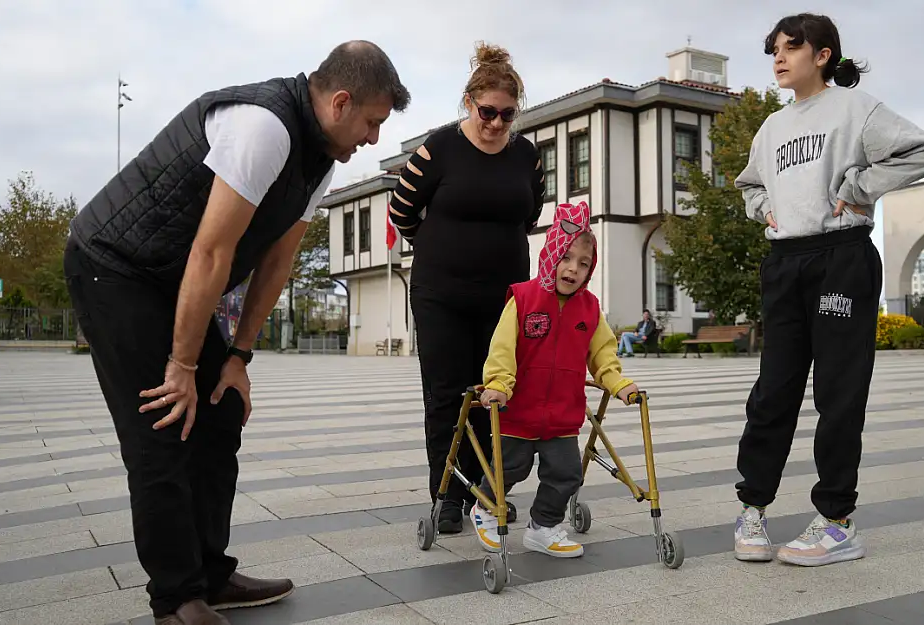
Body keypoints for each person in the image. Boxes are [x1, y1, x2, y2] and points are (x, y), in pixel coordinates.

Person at [64, 42, 409, 625]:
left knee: (220, 409)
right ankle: (176, 599)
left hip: (172, 278)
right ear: (341, 102)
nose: (374, 138)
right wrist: (181, 366)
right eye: (373, 122)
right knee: (164, 424)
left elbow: (277, 262)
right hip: (114, 266)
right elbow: (212, 252)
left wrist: (237, 359)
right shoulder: (264, 128)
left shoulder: (319, 158)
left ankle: (210, 575)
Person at [732, 13, 924, 567]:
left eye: (790, 48)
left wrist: (858, 185)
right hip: (785, 262)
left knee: (838, 390)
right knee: (774, 389)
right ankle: (752, 506)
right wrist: (767, 211)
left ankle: (836, 520)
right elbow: (750, 186)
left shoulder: (856, 108)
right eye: (773, 50)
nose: (778, 58)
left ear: (822, 54)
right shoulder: (771, 129)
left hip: (841, 258)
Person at [389, 41, 544, 534]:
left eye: (506, 114)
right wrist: (437, 247)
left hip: (505, 298)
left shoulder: (526, 155)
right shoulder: (439, 148)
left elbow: (532, 213)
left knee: (495, 393)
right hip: (442, 296)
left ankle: (486, 491)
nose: (496, 123)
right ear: (469, 103)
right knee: (447, 395)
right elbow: (401, 213)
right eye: (487, 112)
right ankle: (447, 495)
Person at [471, 201, 638, 557]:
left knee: (566, 473)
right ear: (550, 255)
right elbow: (502, 348)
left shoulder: (590, 308)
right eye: (567, 258)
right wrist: (498, 384)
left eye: (583, 263)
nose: (573, 269)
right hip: (518, 410)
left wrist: (618, 383)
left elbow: (603, 353)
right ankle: (484, 508)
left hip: (563, 413)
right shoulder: (524, 298)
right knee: (508, 468)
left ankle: (543, 526)